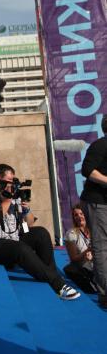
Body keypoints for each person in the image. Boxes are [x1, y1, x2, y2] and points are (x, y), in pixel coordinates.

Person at [0, 163, 80, 300]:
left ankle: (50, 273)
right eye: (10, 180)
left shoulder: (12, 196)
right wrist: (6, 201)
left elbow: (28, 224)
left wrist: (26, 210)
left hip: (10, 242)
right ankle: (58, 285)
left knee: (41, 233)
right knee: (20, 248)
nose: (12, 183)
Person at [80, 114, 107, 309]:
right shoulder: (100, 145)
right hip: (98, 203)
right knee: (102, 247)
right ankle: (105, 294)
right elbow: (87, 170)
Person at [64, 204, 98, 294]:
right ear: (73, 218)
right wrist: (88, 250)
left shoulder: (95, 230)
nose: (79, 216)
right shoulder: (71, 234)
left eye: (81, 214)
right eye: (76, 215)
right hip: (84, 266)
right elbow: (73, 259)